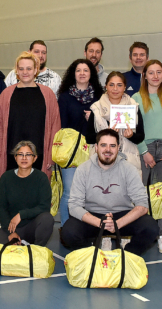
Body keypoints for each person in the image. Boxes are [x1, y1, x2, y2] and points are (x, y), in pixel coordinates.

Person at [61, 129, 159, 256]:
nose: (108, 150)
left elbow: (143, 205)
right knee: (68, 231)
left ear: (118, 148)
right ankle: (90, 256)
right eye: (103, 145)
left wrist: (118, 224)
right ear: (96, 147)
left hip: (121, 215)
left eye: (112, 146)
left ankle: (127, 256)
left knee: (151, 228)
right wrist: (100, 223)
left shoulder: (129, 169)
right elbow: (74, 206)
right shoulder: (83, 169)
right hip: (94, 216)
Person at [0, 51, 60, 183]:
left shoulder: (48, 95)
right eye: (21, 68)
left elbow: (55, 127)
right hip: (11, 156)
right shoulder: (6, 95)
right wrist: (0, 155)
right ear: (17, 71)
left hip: (39, 157)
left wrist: (51, 156)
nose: (25, 72)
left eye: (29, 68)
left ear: (36, 69)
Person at [57, 59, 103, 228]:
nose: (82, 73)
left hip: (92, 151)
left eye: (86, 70)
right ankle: (65, 227)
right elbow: (61, 127)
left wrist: (94, 120)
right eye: (78, 70)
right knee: (69, 192)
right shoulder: (64, 98)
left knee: (89, 194)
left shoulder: (99, 97)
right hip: (70, 152)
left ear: (91, 74)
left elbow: (104, 126)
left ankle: (87, 228)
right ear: (73, 73)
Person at [0, 141, 54, 246]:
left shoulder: (41, 178)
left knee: (47, 219)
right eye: (20, 154)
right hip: (12, 226)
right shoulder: (6, 178)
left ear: (35, 158)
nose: (24, 158)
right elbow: (2, 209)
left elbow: (44, 207)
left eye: (28, 155)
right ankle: (19, 242)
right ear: (15, 157)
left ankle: (37, 248)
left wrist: (21, 214)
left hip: (33, 227)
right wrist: (11, 233)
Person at [86, 71, 144, 173]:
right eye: (111, 85)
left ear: (125, 87)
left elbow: (140, 136)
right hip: (101, 161)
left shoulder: (133, 106)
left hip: (129, 161)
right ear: (106, 86)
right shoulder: (96, 108)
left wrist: (131, 136)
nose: (115, 89)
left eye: (119, 85)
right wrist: (105, 133)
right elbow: (88, 138)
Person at [132, 60, 162, 251]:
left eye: (159, 72)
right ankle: (145, 232)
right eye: (151, 73)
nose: (155, 76)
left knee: (161, 195)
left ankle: (160, 234)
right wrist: (144, 152)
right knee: (144, 194)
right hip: (146, 148)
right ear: (144, 75)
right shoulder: (136, 97)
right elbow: (134, 128)